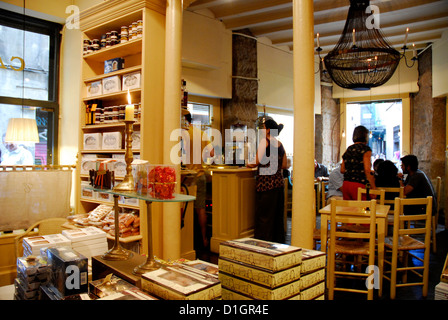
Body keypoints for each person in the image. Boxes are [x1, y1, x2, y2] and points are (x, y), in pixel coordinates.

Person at [247, 119, 288, 243]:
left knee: (264, 217)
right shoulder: (280, 144)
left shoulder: (265, 142)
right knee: (276, 216)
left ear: (268, 130)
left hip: (265, 185)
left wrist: (247, 163)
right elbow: (285, 164)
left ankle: (264, 243)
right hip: (278, 184)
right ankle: (277, 242)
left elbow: (256, 162)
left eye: (263, 127)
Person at [182, 112, 214, 248]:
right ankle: (204, 239)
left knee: (184, 209)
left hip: (184, 177)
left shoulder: (180, 133)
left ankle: (186, 240)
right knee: (200, 209)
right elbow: (212, 153)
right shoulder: (201, 133)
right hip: (199, 175)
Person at [341, 125, 376, 200]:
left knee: (349, 210)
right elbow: (367, 170)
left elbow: (342, 170)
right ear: (365, 136)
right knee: (361, 209)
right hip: (359, 185)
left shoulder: (349, 149)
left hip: (346, 184)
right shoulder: (365, 149)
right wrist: (374, 188)